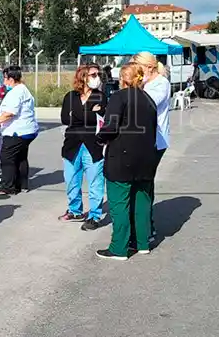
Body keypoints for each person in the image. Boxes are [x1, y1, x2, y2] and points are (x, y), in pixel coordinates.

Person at [95, 63, 158, 261]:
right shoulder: (149, 99)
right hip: (146, 157)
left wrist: (99, 137)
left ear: (123, 79)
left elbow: (110, 126)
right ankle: (141, 243)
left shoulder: (119, 97)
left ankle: (119, 248)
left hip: (122, 157)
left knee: (119, 202)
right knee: (141, 200)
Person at [59, 64, 106, 230]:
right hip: (72, 144)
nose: (97, 77)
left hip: (93, 144)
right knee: (71, 179)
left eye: (98, 74)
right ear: (83, 77)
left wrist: (78, 116)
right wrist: (89, 114)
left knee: (95, 181)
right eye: (93, 75)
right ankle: (75, 210)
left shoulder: (100, 96)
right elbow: (65, 118)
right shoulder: (70, 97)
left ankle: (94, 215)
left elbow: (100, 118)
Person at [132, 52, 171, 242]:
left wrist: (134, 88)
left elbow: (145, 105)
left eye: (136, 67)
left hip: (154, 141)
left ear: (148, 67)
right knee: (140, 184)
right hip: (142, 140)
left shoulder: (160, 84)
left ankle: (146, 229)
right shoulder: (147, 83)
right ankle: (145, 225)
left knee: (143, 185)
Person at [0, 65, 39, 195]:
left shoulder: (16, 92)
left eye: (5, 79)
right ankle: (22, 184)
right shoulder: (24, 90)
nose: (4, 82)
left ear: (11, 79)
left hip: (17, 131)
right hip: (27, 130)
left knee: (7, 157)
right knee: (21, 157)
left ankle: (8, 187)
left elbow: (10, 113)